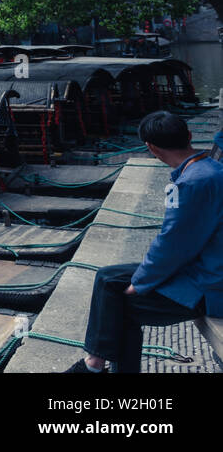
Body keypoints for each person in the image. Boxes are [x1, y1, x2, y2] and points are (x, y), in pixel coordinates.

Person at [66, 110, 223, 372]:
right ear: (189, 136)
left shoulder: (192, 183)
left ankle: (93, 365)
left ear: (151, 148)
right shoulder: (210, 169)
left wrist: (139, 283)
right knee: (107, 277)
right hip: (206, 267)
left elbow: (174, 244)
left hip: (209, 285)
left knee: (120, 305)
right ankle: (94, 363)